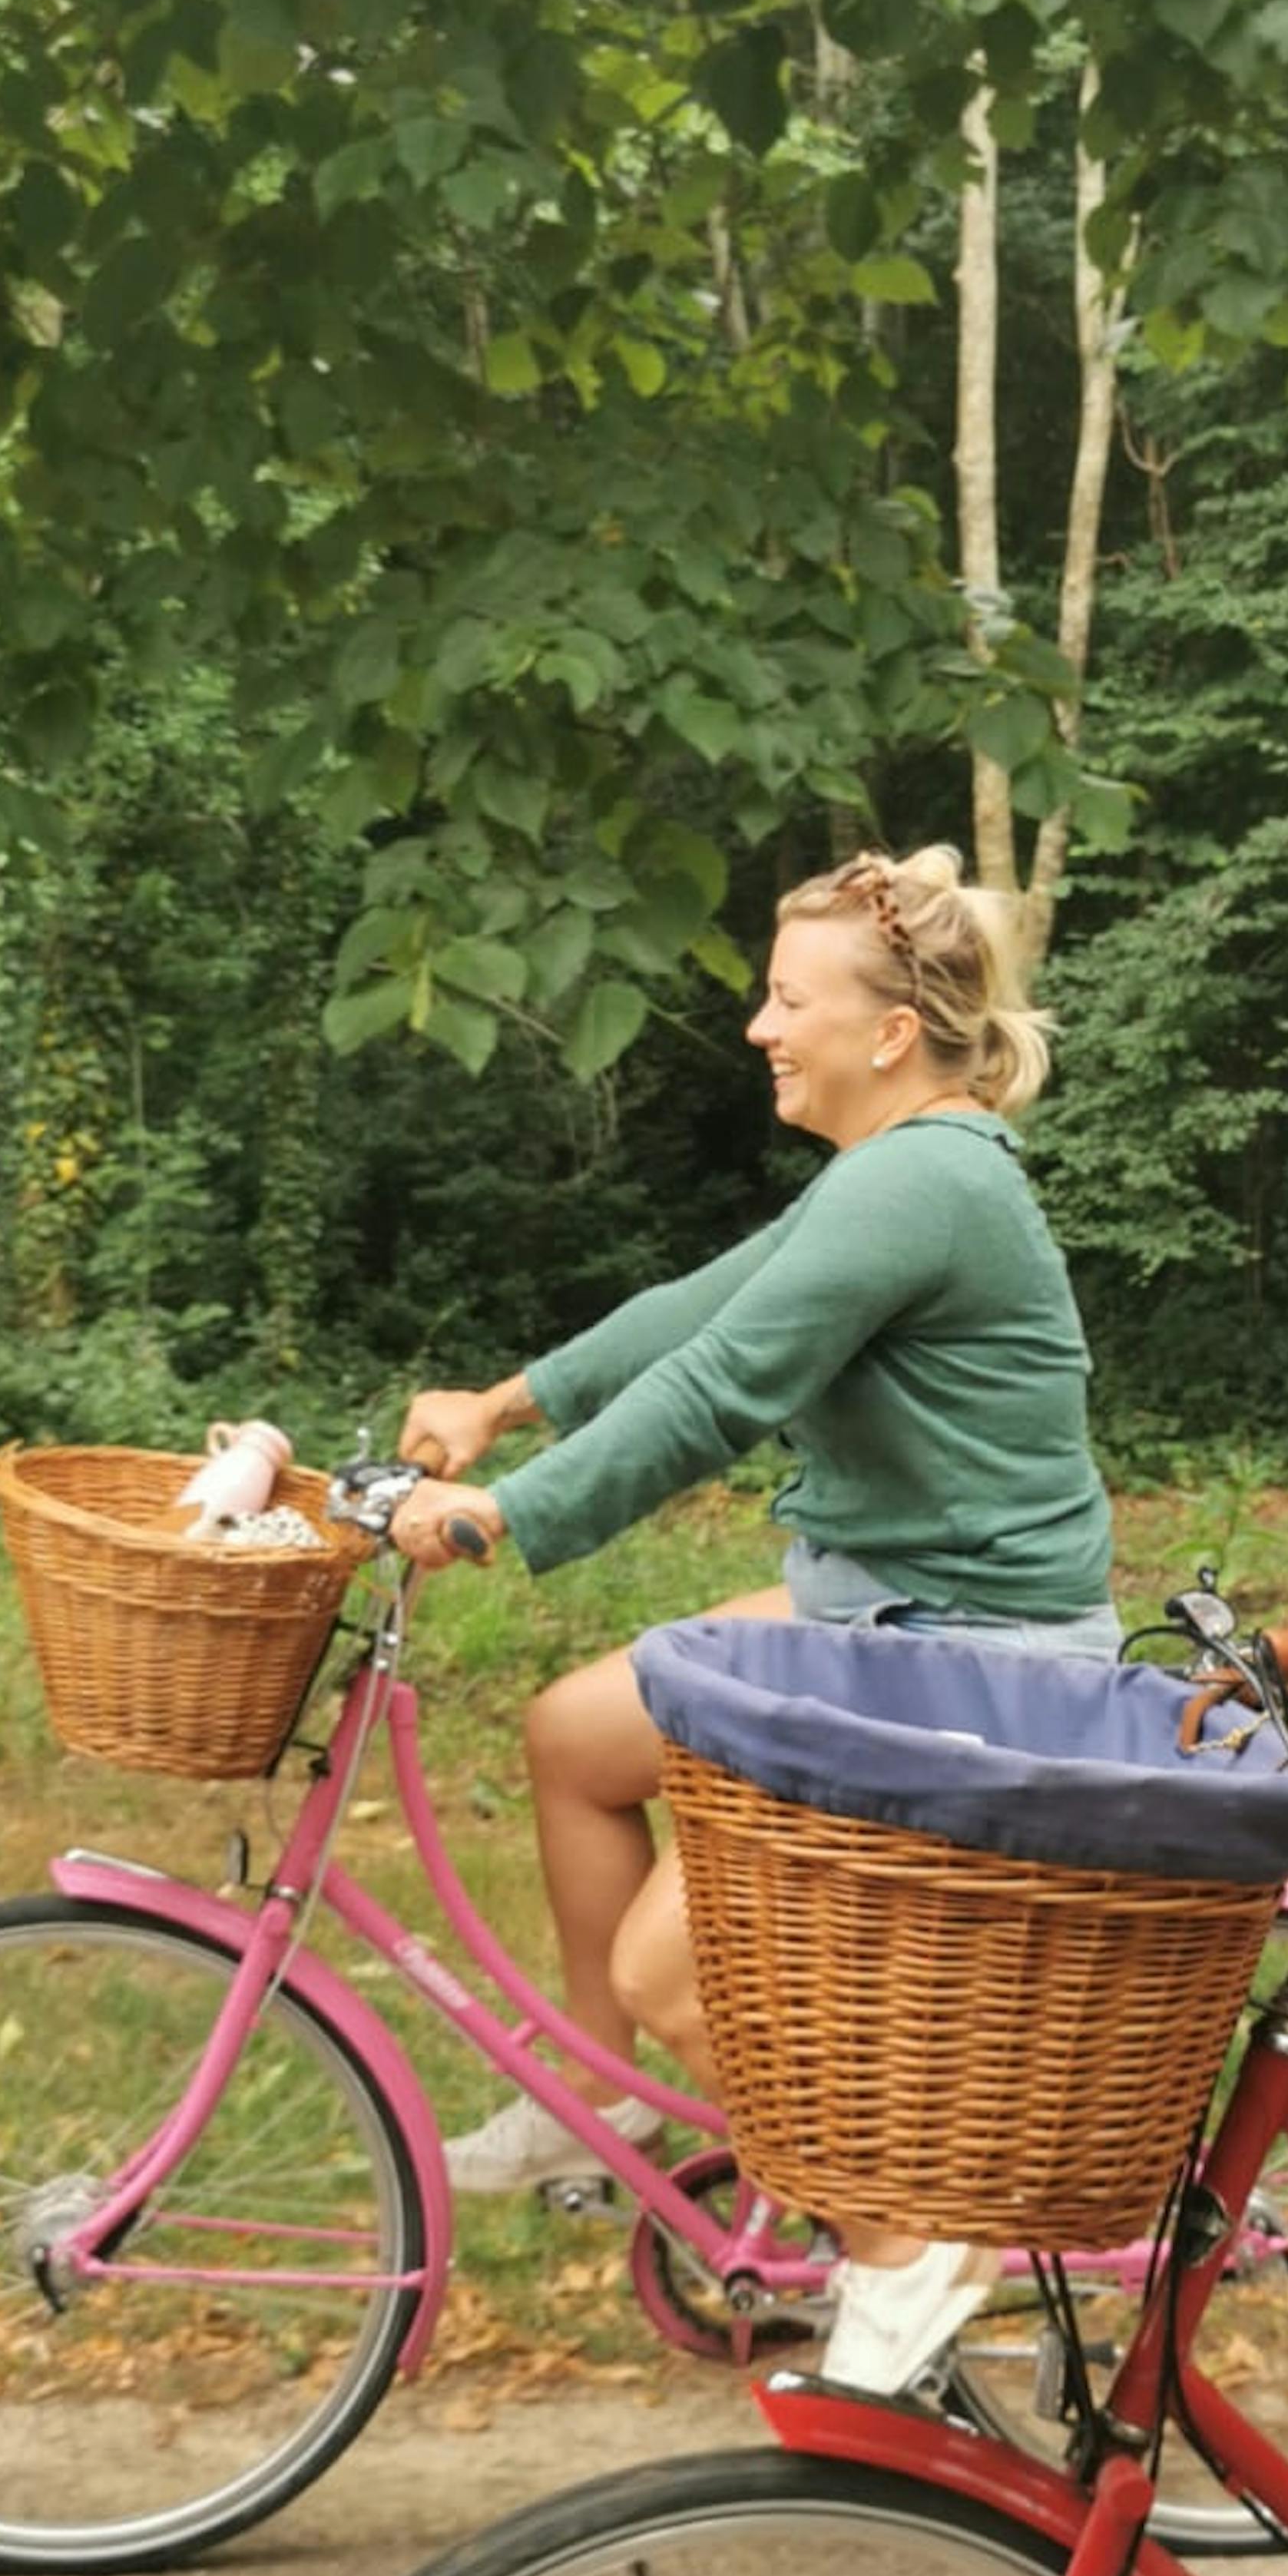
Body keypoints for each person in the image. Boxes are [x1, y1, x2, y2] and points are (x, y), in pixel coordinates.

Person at [389, 841, 1121, 2399]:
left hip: (973, 1649)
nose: (760, 1029)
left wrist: (509, 1516)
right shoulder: (891, 1168)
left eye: (790, 1000)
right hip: (877, 1603)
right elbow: (695, 1310)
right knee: (577, 1736)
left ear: (890, 1032)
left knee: (683, 1968)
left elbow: (725, 1389)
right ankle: (621, 2095)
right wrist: (503, 1406)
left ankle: (907, 2239)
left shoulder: (929, 1181)